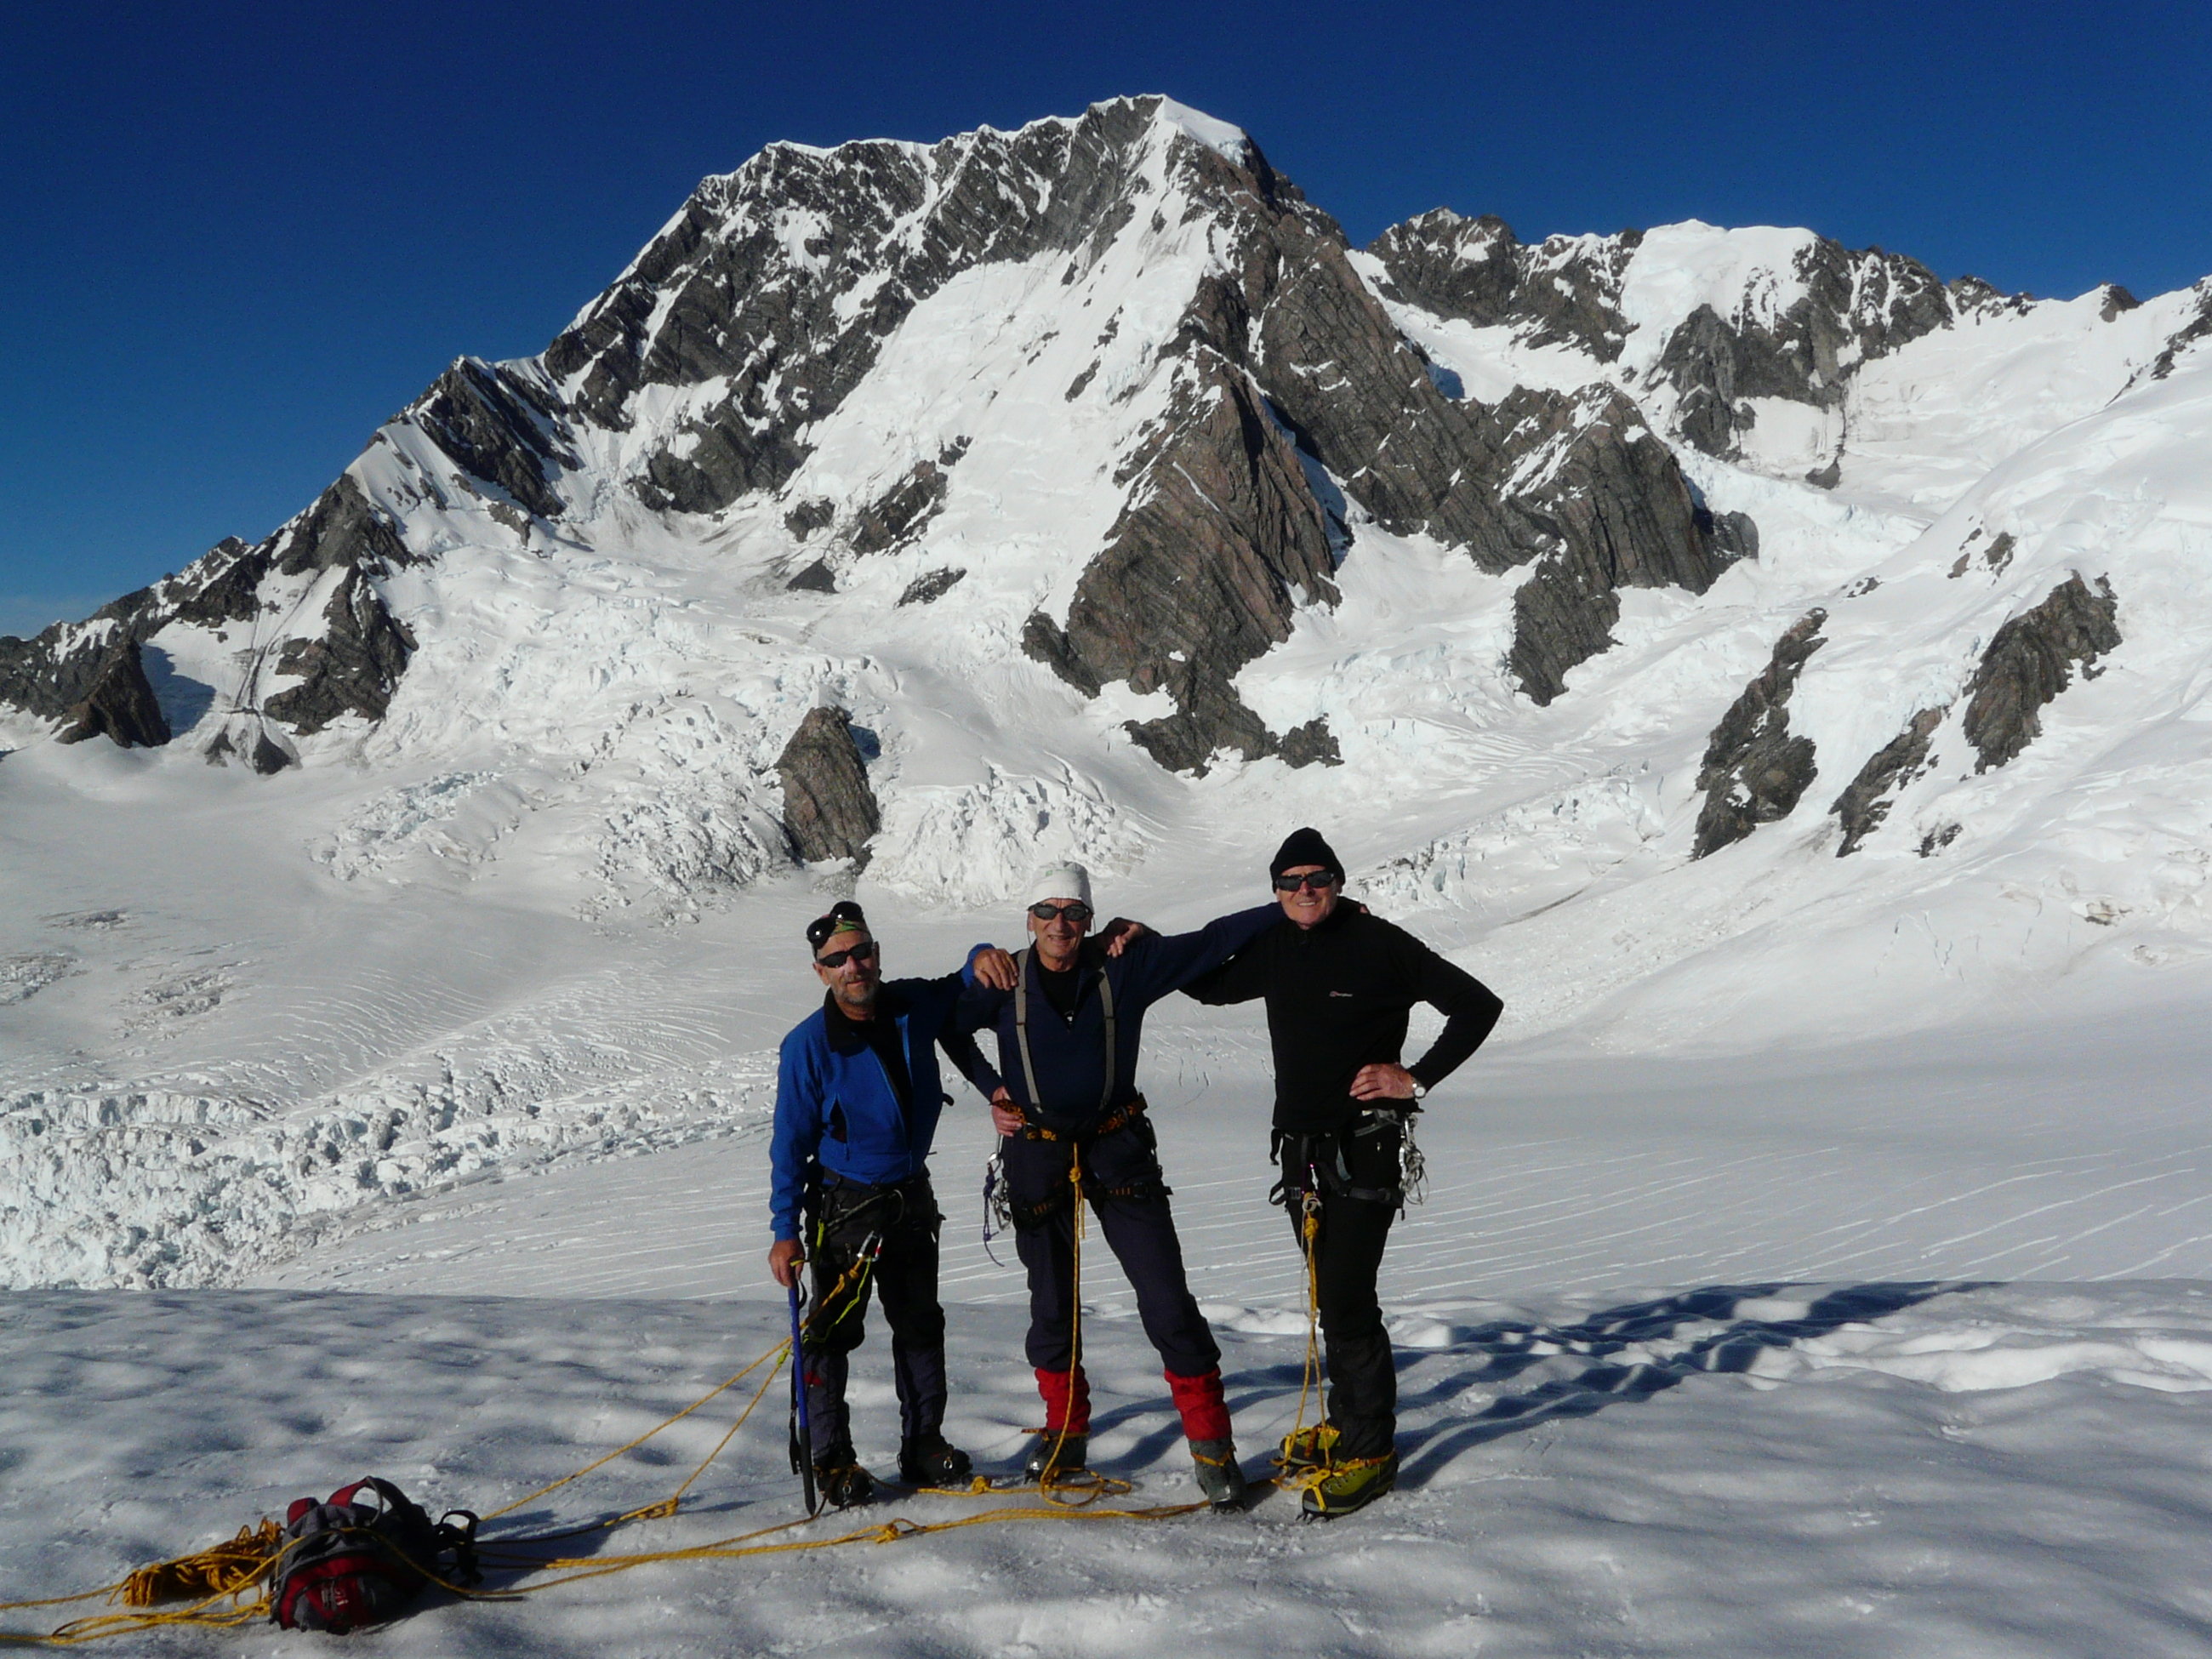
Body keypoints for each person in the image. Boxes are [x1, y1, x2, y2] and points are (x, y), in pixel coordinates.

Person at [1183, 828, 1503, 1519]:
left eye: (1318, 877)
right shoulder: (1275, 945)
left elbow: (1478, 1006)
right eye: (1291, 880)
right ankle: (1351, 1426)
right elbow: (1208, 987)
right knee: (1333, 1295)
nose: (1306, 890)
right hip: (1300, 1153)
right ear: (1275, 890)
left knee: (1350, 1299)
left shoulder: (1379, 944)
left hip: (1364, 1149)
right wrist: (1140, 942)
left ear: (1338, 880)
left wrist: (1413, 1077)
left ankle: (1372, 1452)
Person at [957, 863, 1280, 1510]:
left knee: (1165, 1297)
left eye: (1073, 914)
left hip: (1118, 1148)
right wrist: (990, 1084)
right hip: (1038, 1154)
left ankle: (1213, 1447)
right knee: (1052, 1304)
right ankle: (1064, 1433)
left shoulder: (1123, 968)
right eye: (1046, 913)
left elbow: (1214, 940)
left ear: (1091, 920)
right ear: (1028, 920)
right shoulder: (1003, 981)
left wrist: (1288, 908)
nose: (1059, 926)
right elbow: (940, 1019)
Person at [767, 899, 1015, 1506]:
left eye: (862, 952)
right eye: (839, 959)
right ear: (821, 971)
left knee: (920, 1323)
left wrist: (979, 951)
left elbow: (961, 985)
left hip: (909, 1197)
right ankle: (831, 1459)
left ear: (876, 955)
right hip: (844, 1206)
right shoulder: (807, 1046)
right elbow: (790, 1141)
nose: (854, 966)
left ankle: (923, 1446)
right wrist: (783, 1228)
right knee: (831, 1334)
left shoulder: (909, 1003)